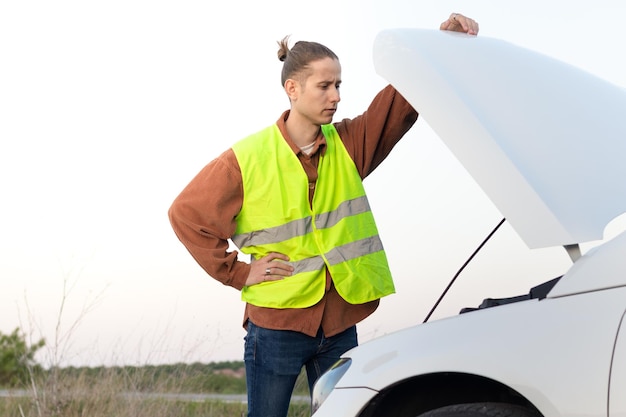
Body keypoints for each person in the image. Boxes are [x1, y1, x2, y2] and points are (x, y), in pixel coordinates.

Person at [168, 13, 479, 417]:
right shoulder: (246, 160)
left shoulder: (349, 143)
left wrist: (439, 46)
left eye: (338, 86)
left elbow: (398, 104)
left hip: (337, 323)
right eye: (325, 86)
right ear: (292, 89)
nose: (335, 96)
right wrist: (239, 273)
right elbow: (185, 215)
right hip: (275, 326)